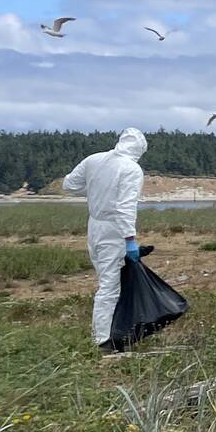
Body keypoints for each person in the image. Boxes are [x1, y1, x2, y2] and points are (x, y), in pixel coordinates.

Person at [63, 129, 147, 351]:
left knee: (107, 281)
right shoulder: (131, 169)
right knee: (109, 286)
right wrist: (130, 239)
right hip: (113, 230)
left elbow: (69, 184)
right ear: (139, 149)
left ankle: (114, 332)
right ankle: (103, 341)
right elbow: (125, 208)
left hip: (94, 226)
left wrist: (96, 191)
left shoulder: (94, 160)